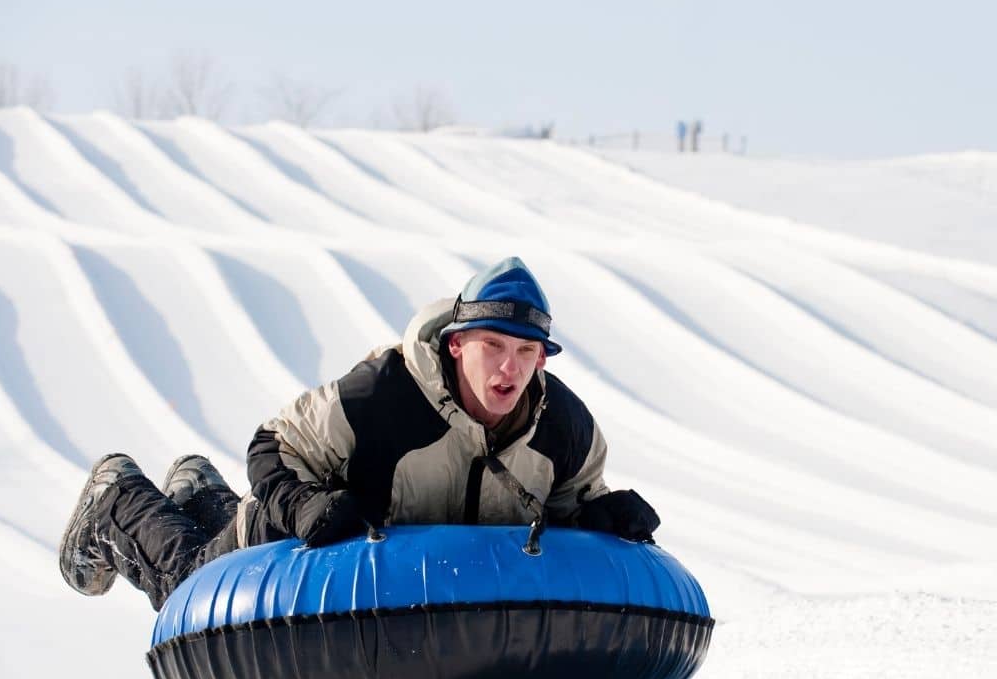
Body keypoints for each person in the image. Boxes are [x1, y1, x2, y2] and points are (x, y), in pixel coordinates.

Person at [58, 257, 661, 611]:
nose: (510, 368)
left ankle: (198, 493)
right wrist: (304, 505)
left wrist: (601, 522)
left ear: (543, 361)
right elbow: (273, 444)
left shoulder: (566, 431)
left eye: (526, 351)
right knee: (184, 584)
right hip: (292, 536)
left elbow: (562, 512)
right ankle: (116, 496)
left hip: (423, 586)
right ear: (457, 345)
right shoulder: (385, 396)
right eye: (494, 347)